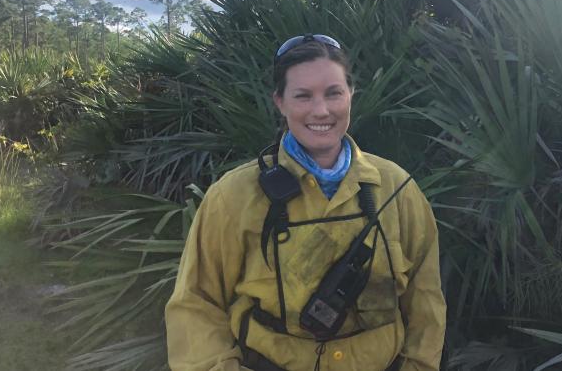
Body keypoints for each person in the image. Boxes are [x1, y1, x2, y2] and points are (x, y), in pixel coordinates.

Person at [165, 34, 446, 371]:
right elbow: (195, 305)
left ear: (350, 95)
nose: (321, 110)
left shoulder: (398, 188)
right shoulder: (233, 196)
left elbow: (425, 299)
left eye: (333, 93)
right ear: (280, 102)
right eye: (302, 96)